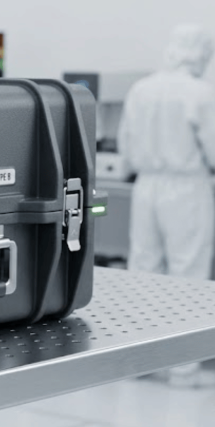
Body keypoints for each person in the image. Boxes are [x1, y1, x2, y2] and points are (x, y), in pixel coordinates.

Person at [119, 24, 215, 388]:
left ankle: (139, 362)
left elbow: (126, 150)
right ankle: (182, 369)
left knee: (142, 273)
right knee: (188, 276)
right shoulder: (200, 93)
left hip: (146, 187)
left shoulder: (141, 89)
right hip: (187, 188)